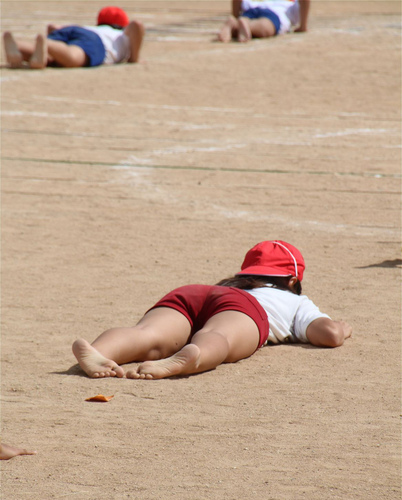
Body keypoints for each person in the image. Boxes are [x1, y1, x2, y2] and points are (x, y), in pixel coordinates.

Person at [72, 240, 352, 380]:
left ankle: (100, 351)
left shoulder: (231, 283)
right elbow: (328, 335)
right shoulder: (293, 300)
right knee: (218, 336)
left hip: (196, 293)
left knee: (146, 333)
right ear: (292, 281)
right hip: (243, 308)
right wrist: (342, 327)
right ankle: (193, 357)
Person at [3, 6, 144, 69]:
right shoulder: (121, 35)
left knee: (52, 58)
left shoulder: (95, 27)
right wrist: (134, 58)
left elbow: (53, 27)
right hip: (97, 41)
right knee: (73, 57)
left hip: (75, 29)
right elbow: (137, 25)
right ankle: (48, 44)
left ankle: (18, 47)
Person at [217, 0, 310, 43]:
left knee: (241, 24)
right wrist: (303, 26)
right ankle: (248, 25)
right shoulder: (291, 6)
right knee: (267, 26)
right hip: (275, 13)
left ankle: (234, 22)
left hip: (254, 7)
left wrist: (235, 15)